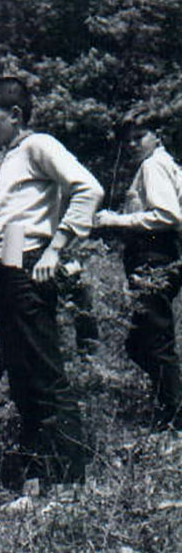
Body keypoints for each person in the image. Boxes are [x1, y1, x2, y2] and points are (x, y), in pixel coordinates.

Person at [0, 77, 104, 490]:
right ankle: (38, 477)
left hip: (33, 263)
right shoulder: (11, 158)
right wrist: (6, 276)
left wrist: (55, 250)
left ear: (15, 116)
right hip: (11, 266)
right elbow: (16, 224)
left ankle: (67, 483)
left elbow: (88, 188)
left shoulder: (37, 145)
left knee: (44, 374)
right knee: (22, 376)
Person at [96, 117, 182, 429]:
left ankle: (175, 416)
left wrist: (113, 221)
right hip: (156, 256)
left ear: (157, 136)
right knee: (139, 343)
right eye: (127, 140)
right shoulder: (163, 164)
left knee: (155, 340)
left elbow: (167, 215)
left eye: (139, 137)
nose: (132, 144)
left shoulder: (153, 166)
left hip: (153, 256)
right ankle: (169, 403)